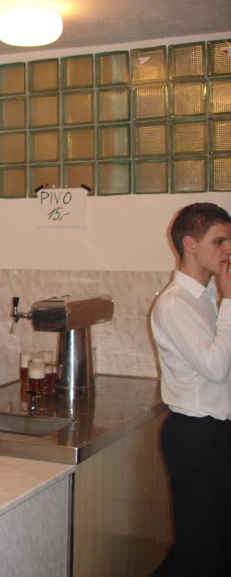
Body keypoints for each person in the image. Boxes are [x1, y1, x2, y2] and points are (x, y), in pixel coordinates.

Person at [150, 202, 231, 575]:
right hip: (195, 433)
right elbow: (215, 368)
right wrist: (230, 303)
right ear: (190, 244)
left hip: (215, 430)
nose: (228, 250)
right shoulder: (174, 304)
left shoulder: (206, 297)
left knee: (216, 545)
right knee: (198, 548)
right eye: (220, 241)